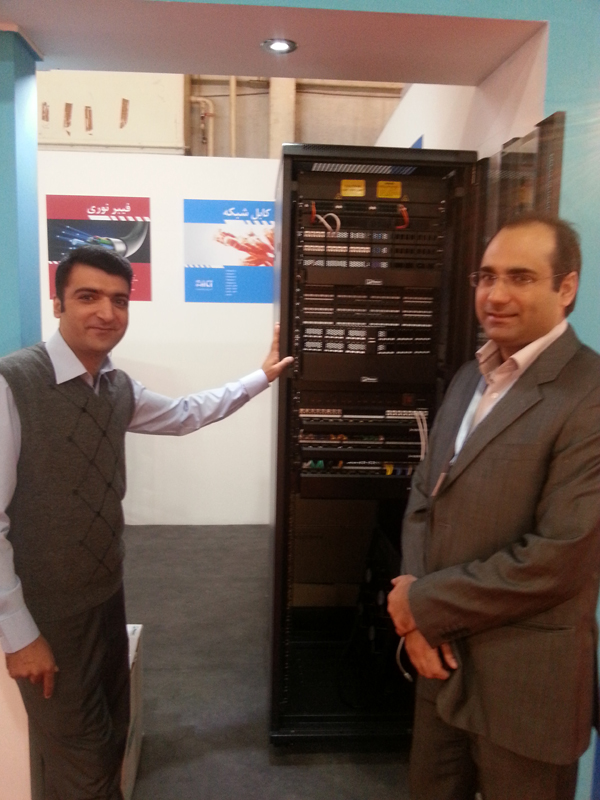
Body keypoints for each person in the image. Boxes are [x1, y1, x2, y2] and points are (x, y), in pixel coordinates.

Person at [0, 245, 293, 800]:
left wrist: (260, 377)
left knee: (109, 738)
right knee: (82, 761)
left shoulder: (116, 386)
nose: (106, 312)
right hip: (47, 611)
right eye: (88, 297)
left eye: (119, 300)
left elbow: (185, 414)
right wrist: (19, 635)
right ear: (58, 303)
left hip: (105, 596)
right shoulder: (13, 383)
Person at [387, 214, 600, 800]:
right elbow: (425, 496)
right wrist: (416, 614)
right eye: (486, 276)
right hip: (440, 664)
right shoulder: (470, 378)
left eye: (520, 277)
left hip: (526, 684)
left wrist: (420, 605)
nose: (495, 295)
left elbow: (560, 557)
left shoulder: (589, 395)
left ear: (566, 287)